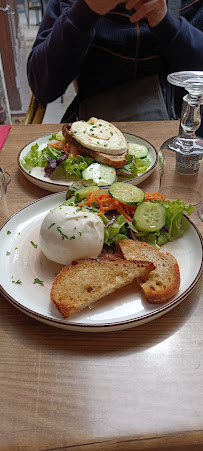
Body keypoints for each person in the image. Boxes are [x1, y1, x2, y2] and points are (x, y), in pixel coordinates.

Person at [27, 0, 203, 135]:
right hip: (94, 132)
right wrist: (84, 12)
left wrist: (165, 23)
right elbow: (43, 87)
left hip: (182, 134)